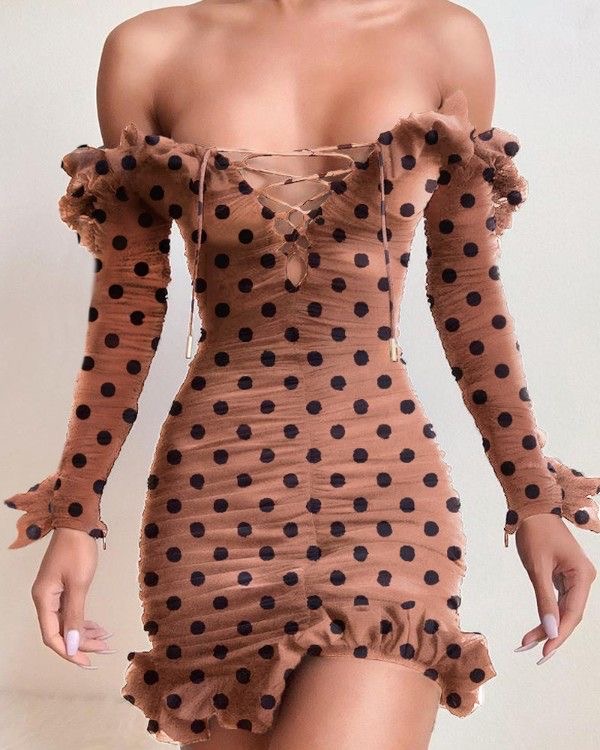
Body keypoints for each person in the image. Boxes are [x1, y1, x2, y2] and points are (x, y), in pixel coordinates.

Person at [4, 2, 599, 749]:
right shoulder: (148, 50)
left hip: (383, 495)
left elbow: (465, 292)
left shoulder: (443, 37)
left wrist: (534, 497)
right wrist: (74, 512)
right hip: (211, 506)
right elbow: (129, 303)